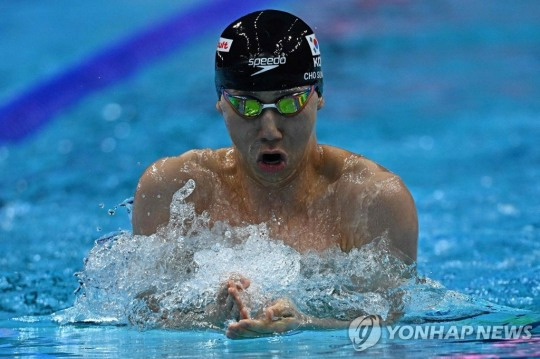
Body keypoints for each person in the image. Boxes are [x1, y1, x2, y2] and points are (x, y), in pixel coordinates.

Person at [131, 9, 418, 339]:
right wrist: (209, 314)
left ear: (319, 97)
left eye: (289, 103)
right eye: (247, 106)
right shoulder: (175, 188)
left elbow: (392, 327)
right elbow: (144, 315)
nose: (269, 130)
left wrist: (306, 323)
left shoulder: (372, 199)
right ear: (220, 103)